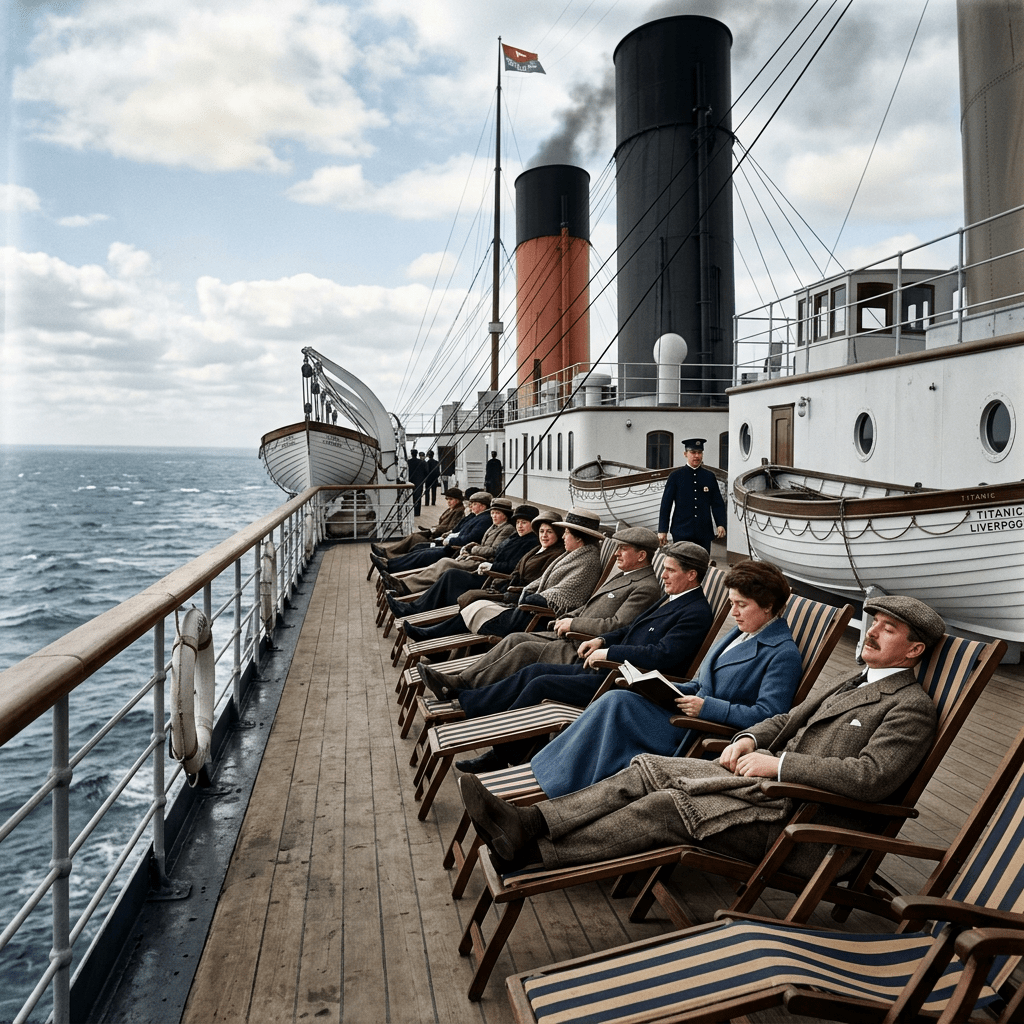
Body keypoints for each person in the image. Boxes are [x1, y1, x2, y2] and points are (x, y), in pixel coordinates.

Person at [460, 594, 943, 880]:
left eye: (889, 629)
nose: (873, 633)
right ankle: (531, 823)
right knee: (645, 770)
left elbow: (872, 779)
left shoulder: (910, 708)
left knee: (668, 806)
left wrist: (779, 766)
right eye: (873, 624)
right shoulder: (854, 682)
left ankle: (534, 855)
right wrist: (751, 740)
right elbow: (786, 719)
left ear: (915, 649)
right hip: (761, 791)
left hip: (804, 825)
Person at [527, 560, 802, 796]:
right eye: (731, 603)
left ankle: (557, 781)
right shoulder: (743, 632)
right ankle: (554, 775)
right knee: (619, 698)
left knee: (616, 705)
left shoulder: (782, 653)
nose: (733, 613)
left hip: (701, 732)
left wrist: (707, 707)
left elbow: (771, 717)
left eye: (741, 604)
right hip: (687, 714)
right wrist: (659, 687)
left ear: (767, 605)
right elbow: (702, 684)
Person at [451, 541, 716, 775]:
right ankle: (475, 708)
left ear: (691, 575)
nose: (663, 575)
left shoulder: (695, 612)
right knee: (534, 671)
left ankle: (499, 753)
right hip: (609, 669)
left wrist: (610, 653)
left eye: (670, 570)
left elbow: (663, 656)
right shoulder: (671, 599)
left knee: (541, 683)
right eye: (664, 568)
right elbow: (629, 628)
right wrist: (602, 640)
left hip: (626, 683)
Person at [417, 518, 663, 695]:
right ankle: (461, 680)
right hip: (568, 633)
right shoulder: (623, 575)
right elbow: (589, 605)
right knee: (514, 639)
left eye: (623, 549)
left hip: (580, 645)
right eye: (616, 547)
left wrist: (573, 623)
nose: (617, 554)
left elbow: (618, 625)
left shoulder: (645, 587)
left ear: (641, 556)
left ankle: (465, 687)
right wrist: (567, 617)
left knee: (523, 649)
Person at [408, 509, 607, 648]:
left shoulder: (586, 562)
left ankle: (430, 635)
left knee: (477, 606)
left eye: (565, 533)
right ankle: (430, 633)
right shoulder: (574, 554)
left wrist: (528, 596)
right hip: (526, 606)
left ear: (579, 537)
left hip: (538, 617)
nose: (563, 537)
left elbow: (567, 594)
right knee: (474, 605)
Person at [384, 505, 551, 618]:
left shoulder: (530, 542)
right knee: (449, 574)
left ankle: (413, 606)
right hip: (487, 572)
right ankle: (412, 604)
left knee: (451, 575)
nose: (520, 526)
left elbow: (511, 566)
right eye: (518, 523)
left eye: (524, 523)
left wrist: (490, 565)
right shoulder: (517, 536)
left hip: (493, 578)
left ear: (532, 525)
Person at [379, 497, 515, 595]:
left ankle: (405, 583)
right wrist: (470, 547)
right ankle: (403, 581)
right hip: (471, 556)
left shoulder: (506, 529)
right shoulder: (493, 526)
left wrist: (472, 549)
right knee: (433, 559)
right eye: (493, 513)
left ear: (505, 516)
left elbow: (494, 550)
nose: (494, 516)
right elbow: (476, 540)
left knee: (444, 564)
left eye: (497, 513)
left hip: (479, 563)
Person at [373, 492, 493, 575]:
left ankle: (390, 565)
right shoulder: (475, 516)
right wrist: (448, 535)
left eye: (474, 504)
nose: (471, 506)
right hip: (446, 544)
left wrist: (449, 540)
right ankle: (389, 563)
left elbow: (469, 538)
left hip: (452, 550)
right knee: (420, 550)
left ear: (482, 506)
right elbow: (458, 530)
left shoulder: (484, 520)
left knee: (421, 552)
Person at [657, 437, 727, 553]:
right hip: (681, 531)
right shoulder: (676, 476)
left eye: (699, 453)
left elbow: (717, 503)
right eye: (693, 452)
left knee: (702, 565)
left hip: (704, 532)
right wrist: (662, 530)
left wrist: (720, 524)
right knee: (682, 565)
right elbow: (666, 505)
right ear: (685, 454)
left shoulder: (709, 476)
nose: (696, 456)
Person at [371, 487, 465, 558]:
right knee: (413, 536)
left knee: (414, 538)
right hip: (435, 535)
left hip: (439, 539)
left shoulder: (459, 511)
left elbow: (451, 528)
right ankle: (388, 552)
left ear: (458, 500)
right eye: (447, 499)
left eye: (451, 499)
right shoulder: (451, 510)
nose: (448, 502)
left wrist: (432, 530)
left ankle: (387, 553)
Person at [407, 448, 427, 516]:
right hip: (419, 481)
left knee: (410, 496)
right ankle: (417, 512)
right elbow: (426, 472)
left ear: (411, 454)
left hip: (410, 481)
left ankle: (411, 511)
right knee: (418, 496)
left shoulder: (408, 462)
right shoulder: (422, 462)